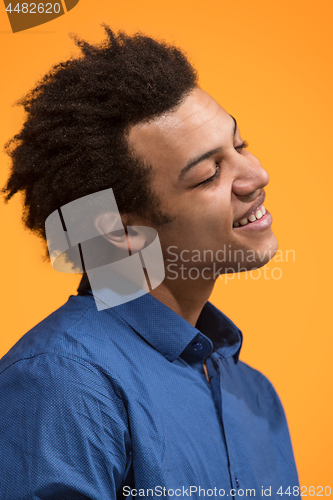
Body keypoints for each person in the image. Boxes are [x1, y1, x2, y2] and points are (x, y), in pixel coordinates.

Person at [0, 26, 299, 499]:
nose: (257, 175)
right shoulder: (64, 382)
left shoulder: (255, 396)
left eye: (239, 145)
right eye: (208, 175)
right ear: (119, 232)